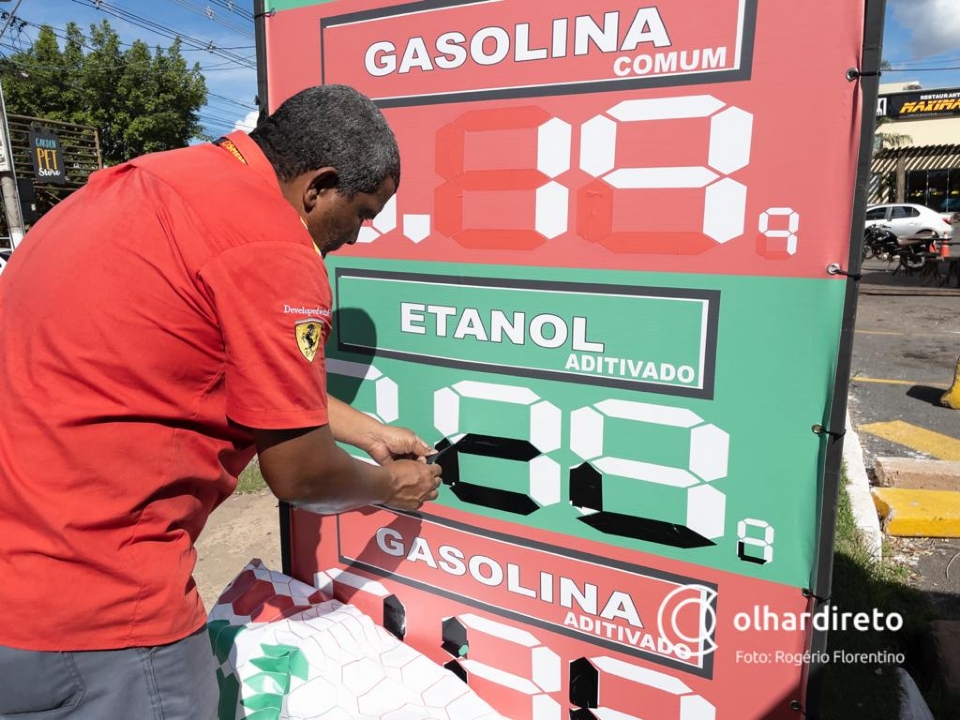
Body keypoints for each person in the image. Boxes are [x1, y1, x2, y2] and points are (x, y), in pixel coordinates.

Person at [0, 84, 441, 719]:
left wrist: (363, 429)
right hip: (98, 614)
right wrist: (388, 487)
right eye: (363, 212)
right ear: (319, 186)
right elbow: (298, 475)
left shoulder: (150, 181)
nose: (356, 234)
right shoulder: (273, 247)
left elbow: (198, 365)